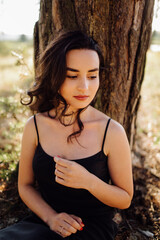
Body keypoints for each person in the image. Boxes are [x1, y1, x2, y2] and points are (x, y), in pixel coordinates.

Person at [0, 30, 133, 240]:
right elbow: (24, 185)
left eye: (92, 75)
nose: (85, 87)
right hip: (43, 223)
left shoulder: (111, 131)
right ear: (55, 75)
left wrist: (88, 181)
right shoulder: (34, 126)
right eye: (72, 75)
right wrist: (51, 218)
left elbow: (125, 199)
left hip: (89, 229)